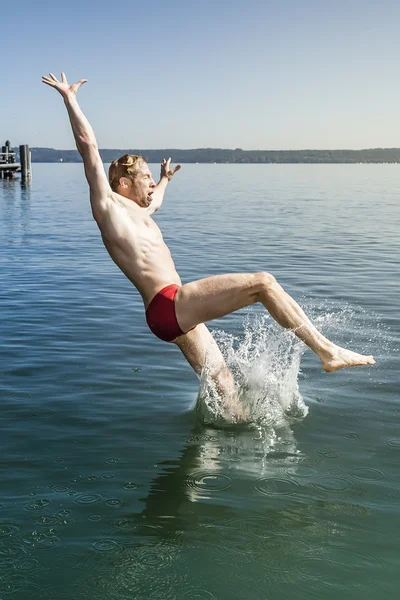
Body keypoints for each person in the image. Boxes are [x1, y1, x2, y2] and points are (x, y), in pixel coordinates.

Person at [42, 72, 375, 421]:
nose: (151, 182)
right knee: (263, 283)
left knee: (222, 381)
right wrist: (70, 98)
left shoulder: (137, 212)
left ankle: (223, 443)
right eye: (145, 177)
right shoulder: (108, 206)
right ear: (124, 183)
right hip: (169, 303)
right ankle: (327, 351)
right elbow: (87, 145)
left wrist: (166, 181)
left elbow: (156, 203)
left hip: (168, 315)